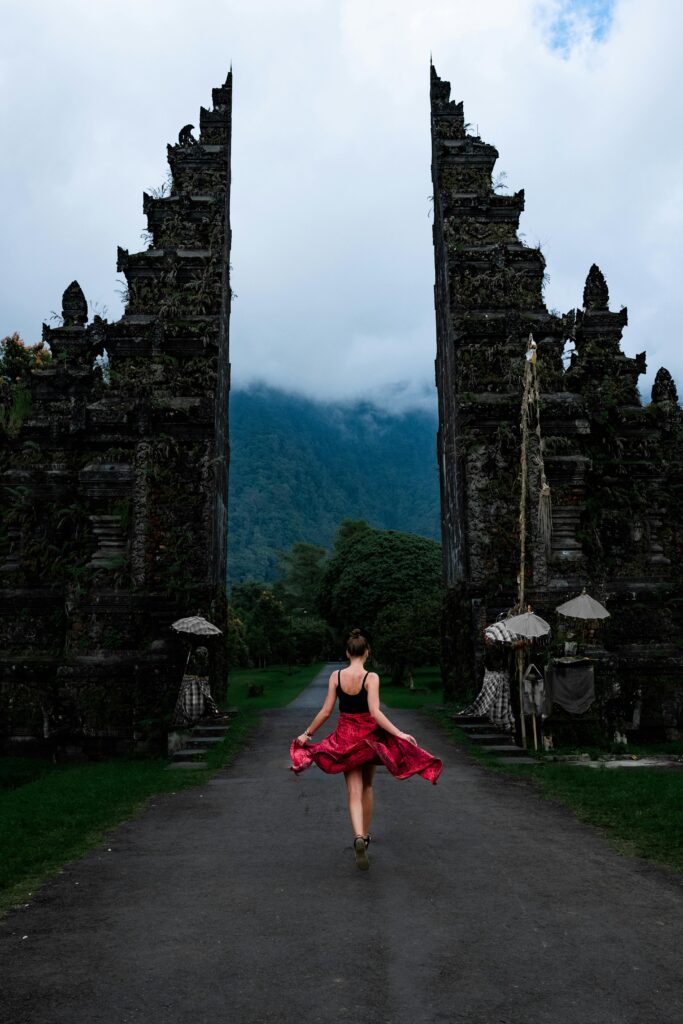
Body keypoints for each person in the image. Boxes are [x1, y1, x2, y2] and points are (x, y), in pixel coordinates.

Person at [290, 628, 443, 871]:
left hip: (345, 740)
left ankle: (358, 836)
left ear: (347, 653)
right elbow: (375, 712)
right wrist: (399, 733)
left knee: (353, 790)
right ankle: (366, 836)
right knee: (368, 786)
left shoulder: (336, 677)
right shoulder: (371, 678)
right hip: (369, 741)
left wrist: (307, 734)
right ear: (367, 653)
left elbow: (326, 711)